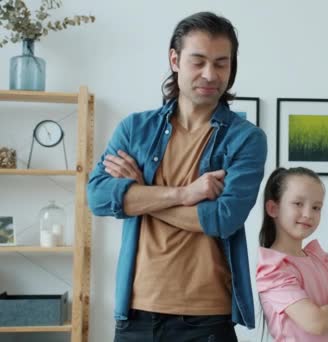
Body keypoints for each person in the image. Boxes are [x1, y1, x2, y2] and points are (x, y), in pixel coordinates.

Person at [86, 11, 267, 341]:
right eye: (198, 61)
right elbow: (97, 197)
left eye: (221, 63)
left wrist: (140, 194)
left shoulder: (246, 139)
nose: (210, 74)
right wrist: (183, 194)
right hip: (136, 316)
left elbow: (223, 219)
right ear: (175, 59)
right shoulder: (134, 129)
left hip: (207, 320)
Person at [256, 167, 328, 341]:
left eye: (316, 207)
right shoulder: (273, 269)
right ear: (273, 208)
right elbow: (317, 323)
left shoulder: (320, 259)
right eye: (298, 204)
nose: (308, 214)